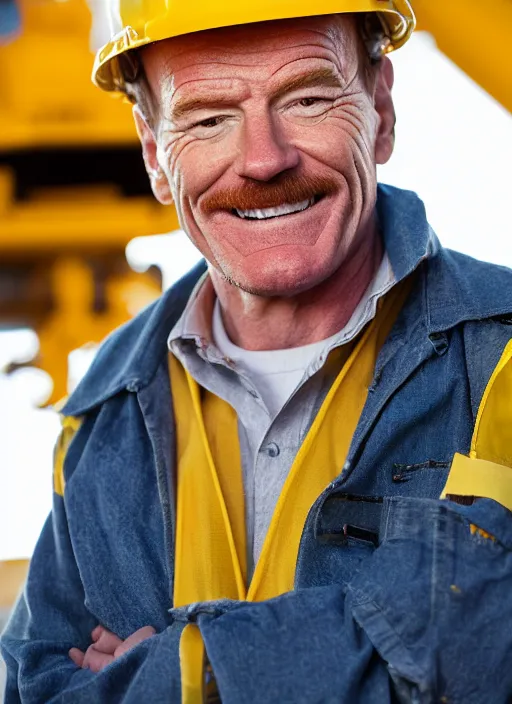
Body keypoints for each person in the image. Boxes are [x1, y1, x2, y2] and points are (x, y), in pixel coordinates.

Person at [2, 1, 512, 702]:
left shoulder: (501, 356)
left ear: (381, 109)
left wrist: (198, 673)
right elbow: (41, 687)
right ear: (154, 152)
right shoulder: (102, 415)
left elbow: (494, 643)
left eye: (305, 97)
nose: (265, 159)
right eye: (209, 117)